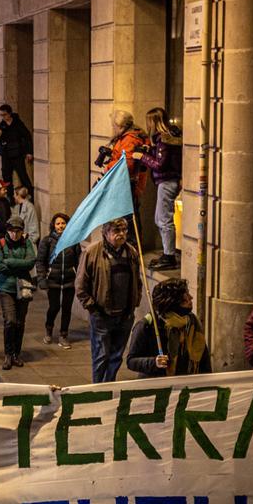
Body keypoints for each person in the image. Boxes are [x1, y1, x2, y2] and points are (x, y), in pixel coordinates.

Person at [76, 218, 143, 383]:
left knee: (116, 356)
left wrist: (135, 302)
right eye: (116, 231)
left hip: (125, 315)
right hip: (101, 315)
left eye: (124, 231)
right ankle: (98, 388)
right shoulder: (92, 252)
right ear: (106, 233)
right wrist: (92, 307)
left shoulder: (131, 252)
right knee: (101, 355)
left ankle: (109, 384)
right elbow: (80, 285)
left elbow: (137, 281)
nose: (121, 235)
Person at [127, 278, 212, 377]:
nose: (191, 297)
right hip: (158, 386)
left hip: (185, 384)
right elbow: (131, 361)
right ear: (173, 303)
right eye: (186, 298)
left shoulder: (192, 322)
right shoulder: (147, 326)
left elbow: (203, 357)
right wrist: (154, 362)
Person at [137, 107, 183, 269]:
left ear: (155, 122)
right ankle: (167, 253)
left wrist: (142, 157)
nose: (147, 125)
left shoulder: (164, 139)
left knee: (164, 219)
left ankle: (169, 256)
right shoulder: (167, 138)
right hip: (168, 181)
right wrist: (150, 150)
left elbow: (160, 165)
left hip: (167, 181)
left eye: (149, 121)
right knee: (160, 218)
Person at [0, 216, 37, 369]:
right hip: (7, 288)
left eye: (17, 232)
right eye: (11, 231)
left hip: (23, 288)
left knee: (20, 322)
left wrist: (11, 262)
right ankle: (8, 354)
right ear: (7, 231)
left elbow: (31, 262)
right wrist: (21, 266)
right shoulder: (1, 243)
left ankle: (16, 354)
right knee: (10, 321)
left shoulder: (26, 243)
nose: (14, 235)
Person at [35, 213, 79, 349]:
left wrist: (80, 278)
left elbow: (79, 261)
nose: (61, 226)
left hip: (69, 280)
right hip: (52, 279)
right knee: (54, 307)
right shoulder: (47, 241)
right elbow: (40, 261)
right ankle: (49, 328)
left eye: (63, 223)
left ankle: (63, 335)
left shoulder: (73, 241)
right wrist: (42, 278)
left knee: (67, 308)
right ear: (53, 225)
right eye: (58, 223)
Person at [100, 109, 151, 228]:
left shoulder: (130, 139)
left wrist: (108, 167)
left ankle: (130, 244)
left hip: (127, 185)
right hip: (128, 184)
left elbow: (126, 164)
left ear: (120, 126)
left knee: (127, 220)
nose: (113, 129)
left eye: (113, 126)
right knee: (128, 218)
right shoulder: (130, 136)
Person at [0, 104, 33, 192]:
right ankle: (10, 199)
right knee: (6, 177)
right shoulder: (1, 125)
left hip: (17, 154)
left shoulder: (17, 123)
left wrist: (29, 152)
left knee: (23, 176)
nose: (3, 117)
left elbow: (27, 136)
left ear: (9, 113)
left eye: (4, 115)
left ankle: (30, 195)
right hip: (6, 155)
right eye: (1, 115)